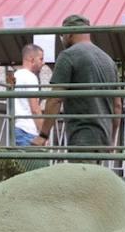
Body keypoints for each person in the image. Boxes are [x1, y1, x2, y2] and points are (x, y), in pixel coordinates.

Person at [42, 14, 119, 155]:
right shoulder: (108, 60)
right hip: (104, 137)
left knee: (81, 176)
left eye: (62, 36)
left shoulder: (68, 56)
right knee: (96, 177)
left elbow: (55, 98)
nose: (62, 39)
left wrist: (43, 135)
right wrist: (111, 139)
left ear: (69, 33)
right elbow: (117, 105)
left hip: (82, 136)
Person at [12, 43, 49, 147]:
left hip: (16, 127)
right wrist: (43, 134)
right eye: (41, 59)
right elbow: (35, 109)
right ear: (32, 59)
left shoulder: (15, 75)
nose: (43, 62)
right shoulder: (30, 77)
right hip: (28, 130)